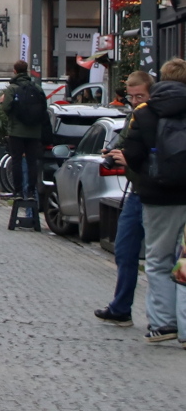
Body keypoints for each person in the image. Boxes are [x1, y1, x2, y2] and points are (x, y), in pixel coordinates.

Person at [121, 57, 186, 344]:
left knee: (158, 260)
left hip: (158, 197)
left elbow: (132, 155)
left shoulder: (145, 113)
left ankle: (163, 324)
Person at [95, 70, 154, 328]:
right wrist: (113, 152)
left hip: (154, 192)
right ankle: (121, 308)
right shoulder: (134, 116)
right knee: (124, 249)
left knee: (160, 259)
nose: (134, 100)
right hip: (136, 191)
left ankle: (164, 319)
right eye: (131, 96)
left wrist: (129, 158)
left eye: (139, 95)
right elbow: (125, 145)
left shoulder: (155, 117)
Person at [0, 60, 48, 202]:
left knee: (17, 160)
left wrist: (5, 106)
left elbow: (6, 108)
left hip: (17, 131)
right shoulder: (37, 88)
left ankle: (18, 191)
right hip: (34, 132)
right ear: (27, 70)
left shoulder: (12, 88)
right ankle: (32, 191)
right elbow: (44, 108)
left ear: (15, 71)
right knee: (32, 161)